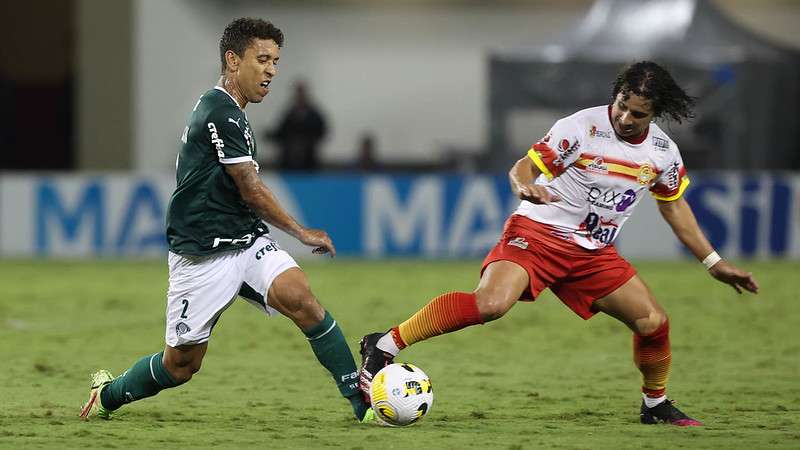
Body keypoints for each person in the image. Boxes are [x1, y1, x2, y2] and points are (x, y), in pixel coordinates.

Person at [358, 61, 759, 426]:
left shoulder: (662, 153)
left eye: (638, 113)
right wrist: (524, 186)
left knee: (653, 323)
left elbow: (673, 207)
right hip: (537, 234)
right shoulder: (580, 128)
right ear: (616, 94)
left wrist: (713, 262)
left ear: (656, 114)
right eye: (622, 104)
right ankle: (385, 343)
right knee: (491, 304)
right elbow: (524, 166)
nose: (625, 116)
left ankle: (655, 404)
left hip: (593, 255)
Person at [79, 17, 373, 424]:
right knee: (180, 367)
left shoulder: (235, 112)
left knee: (302, 300)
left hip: (243, 238)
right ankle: (107, 394)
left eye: (276, 61)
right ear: (233, 61)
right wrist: (302, 233)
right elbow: (250, 188)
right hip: (201, 253)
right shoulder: (221, 112)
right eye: (262, 59)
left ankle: (363, 403)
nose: (272, 69)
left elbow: (244, 194)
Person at [266, 80, 327, 171]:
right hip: (288, 159)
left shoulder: (314, 114)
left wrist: (306, 142)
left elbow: (321, 131)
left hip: (308, 159)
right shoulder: (290, 113)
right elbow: (281, 131)